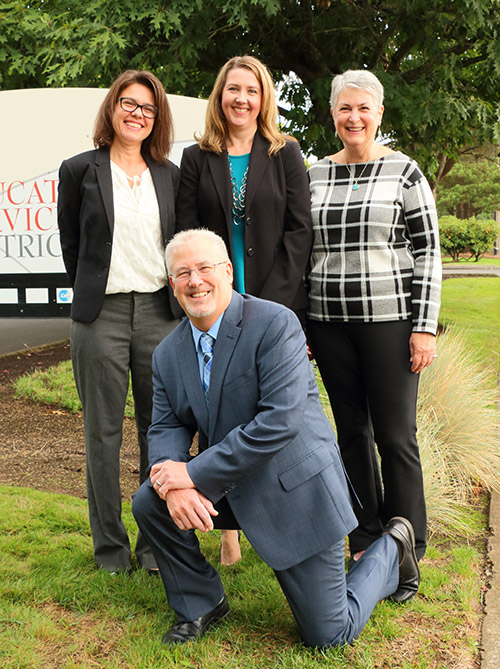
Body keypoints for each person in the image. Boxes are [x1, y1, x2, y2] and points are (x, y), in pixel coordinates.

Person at [132, 228, 420, 648]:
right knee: (150, 502)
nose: (195, 280)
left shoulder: (274, 324)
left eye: (204, 268)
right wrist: (169, 480)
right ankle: (201, 601)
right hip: (230, 482)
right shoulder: (168, 353)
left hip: (294, 488)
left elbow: (278, 424)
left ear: (228, 271)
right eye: (182, 273)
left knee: (329, 634)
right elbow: (166, 425)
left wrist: (191, 472)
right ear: (172, 284)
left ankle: (393, 547)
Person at [176, 55, 312, 564]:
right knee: (222, 415)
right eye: (233, 89)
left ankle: (282, 520)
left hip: (274, 304)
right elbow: (186, 231)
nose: (241, 99)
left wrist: (271, 304)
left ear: (263, 98)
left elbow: (300, 232)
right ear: (220, 95)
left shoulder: (285, 153)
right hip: (214, 306)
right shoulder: (197, 158)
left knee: (272, 414)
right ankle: (229, 528)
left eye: (251, 91)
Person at [306, 70, 441, 579]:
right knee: (351, 435)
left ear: (379, 113)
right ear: (334, 115)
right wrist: (303, 324)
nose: (354, 117)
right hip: (329, 324)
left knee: (395, 436)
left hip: (390, 323)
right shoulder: (315, 173)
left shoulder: (405, 172)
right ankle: (364, 536)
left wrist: (423, 325)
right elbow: (303, 251)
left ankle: (408, 546)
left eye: (364, 108)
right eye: (345, 108)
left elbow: (428, 252)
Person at [57, 70, 181, 574]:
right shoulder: (77, 169)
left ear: (157, 119)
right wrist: (95, 288)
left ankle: (155, 547)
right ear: (112, 108)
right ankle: (110, 550)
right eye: (129, 104)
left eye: (148, 109)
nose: (137, 114)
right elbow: (71, 244)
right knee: (102, 434)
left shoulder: (169, 175)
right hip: (100, 314)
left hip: (159, 314)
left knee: (161, 433)